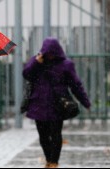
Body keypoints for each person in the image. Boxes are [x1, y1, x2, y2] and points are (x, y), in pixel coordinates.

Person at [23, 38, 91, 168]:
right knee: (43, 136)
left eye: (51, 53)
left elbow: (76, 85)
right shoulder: (36, 61)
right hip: (38, 105)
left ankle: (54, 162)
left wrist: (85, 102)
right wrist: (36, 63)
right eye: (47, 53)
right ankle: (49, 160)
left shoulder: (66, 65)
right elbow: (26, 74)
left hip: (57, 105)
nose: (50, 56)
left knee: (55, 134)